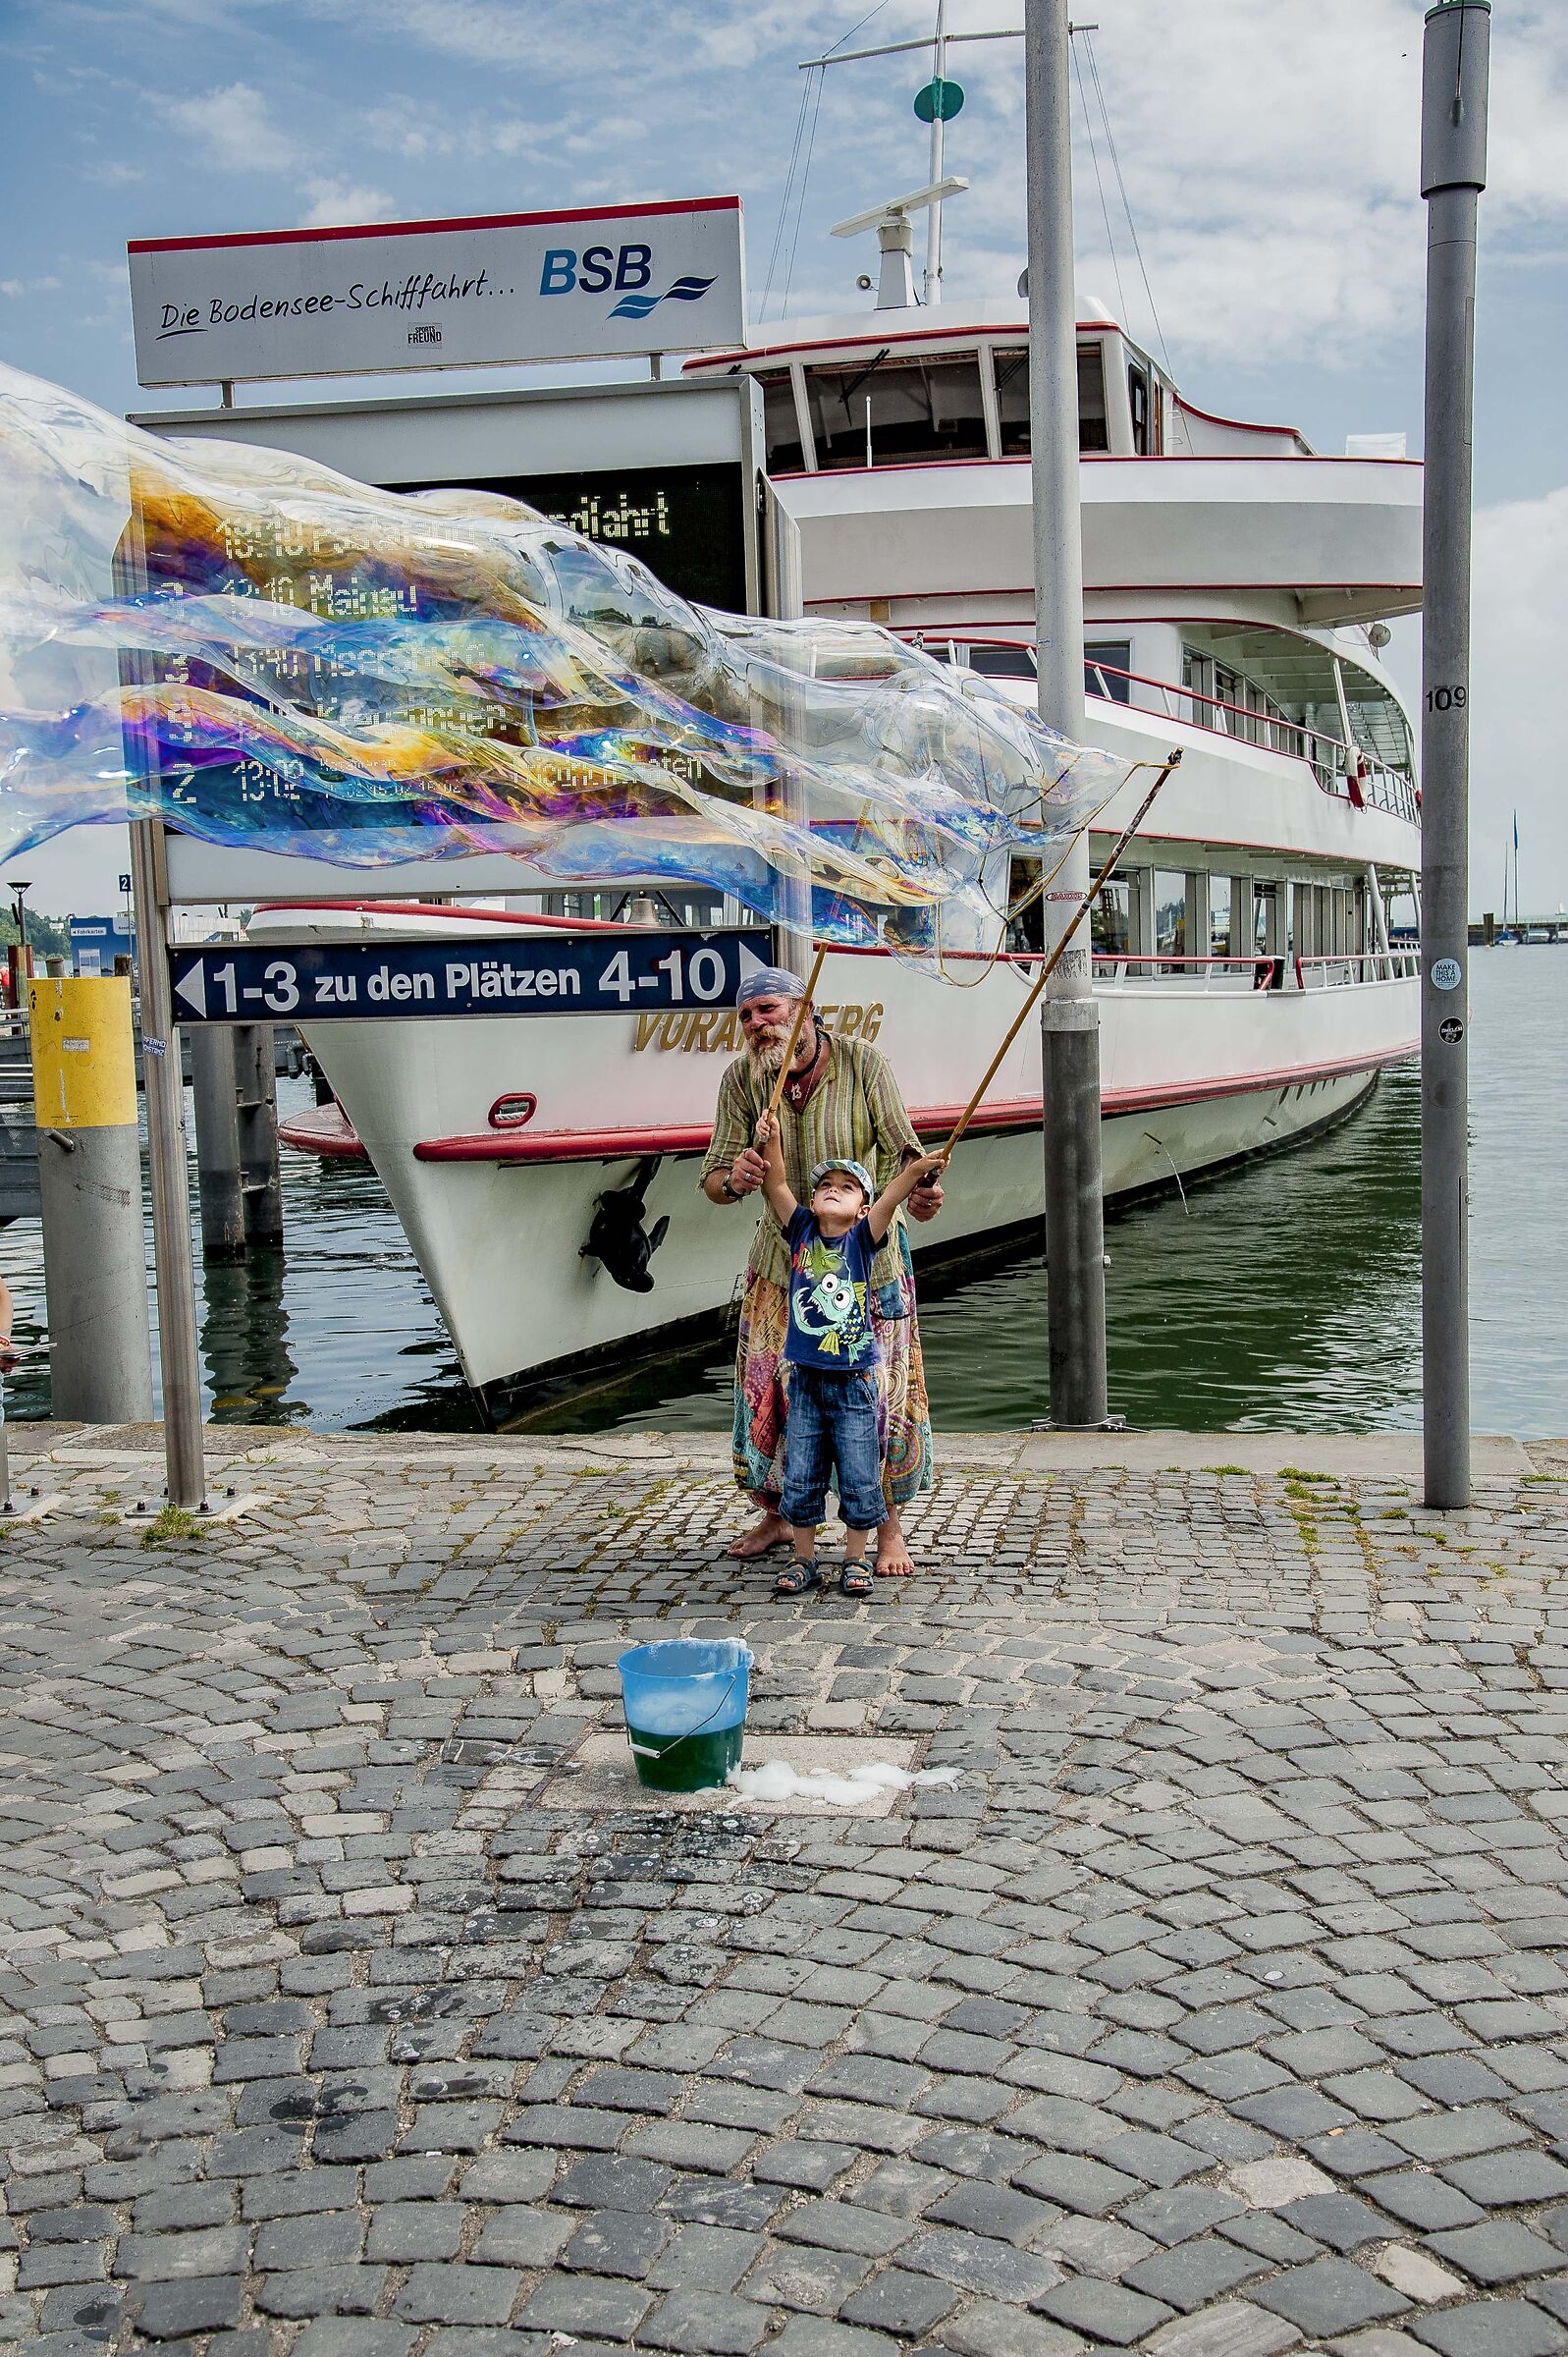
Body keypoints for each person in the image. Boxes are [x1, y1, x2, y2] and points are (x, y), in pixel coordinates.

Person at [700, 964, 944, 1574]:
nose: (759, 1024)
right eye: (747, 1016)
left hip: (869, 1267)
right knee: (777, 1400)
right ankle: (781, 1517)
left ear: (806, 1009)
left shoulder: (864, 1063)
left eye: (771, 1010)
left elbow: (905, 1149)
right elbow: (713, 1176)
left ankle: (887, 1528)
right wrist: (734, 1181)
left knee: (877, 1401)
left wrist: (921, 1191)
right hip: (782, 1269)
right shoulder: (743, 1081)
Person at [753, 1120, 946, 1597]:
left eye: (848, 1187)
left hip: (855, 1381)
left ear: (862, 1209)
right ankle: (803, 1558)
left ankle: (855, 1559)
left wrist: (918, 1169)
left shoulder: (862, 1240)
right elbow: (776, 1182)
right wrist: (771, 1140)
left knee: (861, 1473)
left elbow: (892, 1198)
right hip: (806, 1382)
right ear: (813, 1200)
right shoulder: (799, 1229)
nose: (833, 1191)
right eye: (824, 1185)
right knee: (801, 1472)